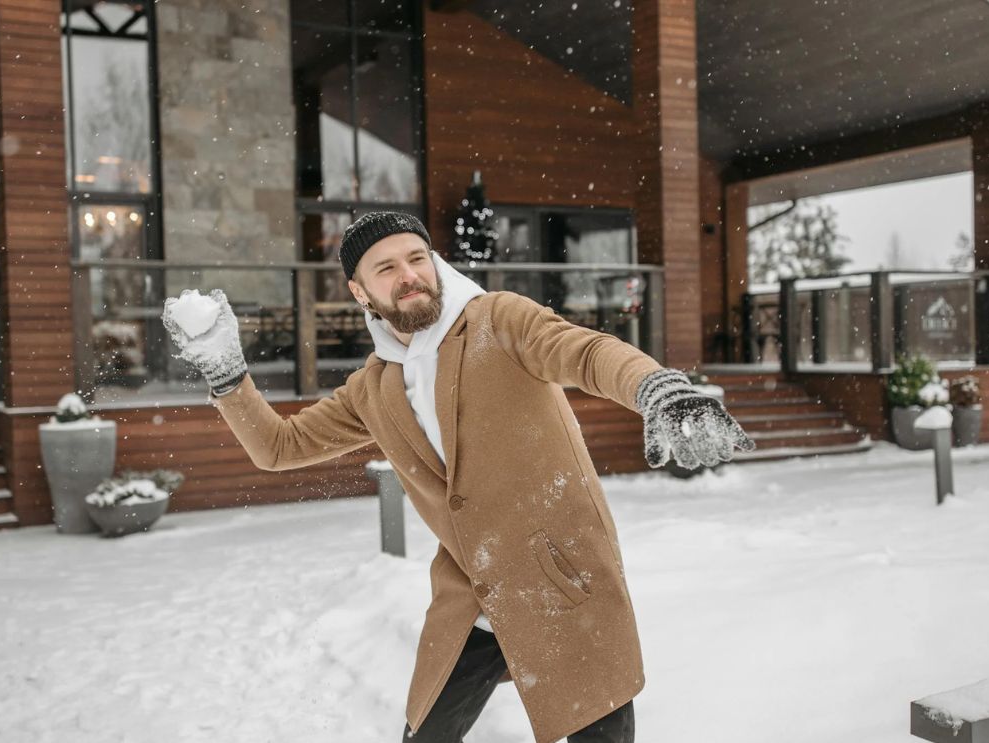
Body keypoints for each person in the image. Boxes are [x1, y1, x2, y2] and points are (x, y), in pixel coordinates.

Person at [161, 211, 754, 743]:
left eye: (417, 258)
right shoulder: (373, 388)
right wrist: (226, 373)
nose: (409, 274)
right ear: (359, 290)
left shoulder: (499, 321)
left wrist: (658, 388)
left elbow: (587, 353)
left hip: (561, 578)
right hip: (472, 596)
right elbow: (278, 446)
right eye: (386, 267)